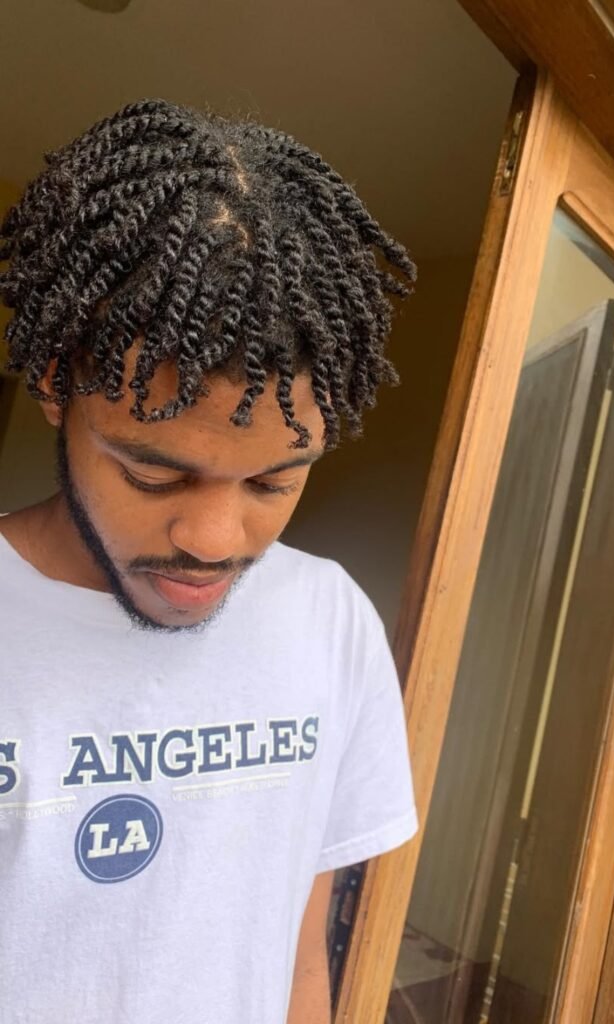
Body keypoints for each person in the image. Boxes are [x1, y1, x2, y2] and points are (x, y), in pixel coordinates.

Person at [0, 99, 418, 1023]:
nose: (216, 540)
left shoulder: (329, 621)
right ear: (56, 387)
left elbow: (298, 956)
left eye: (273, 482)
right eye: (153, 473)